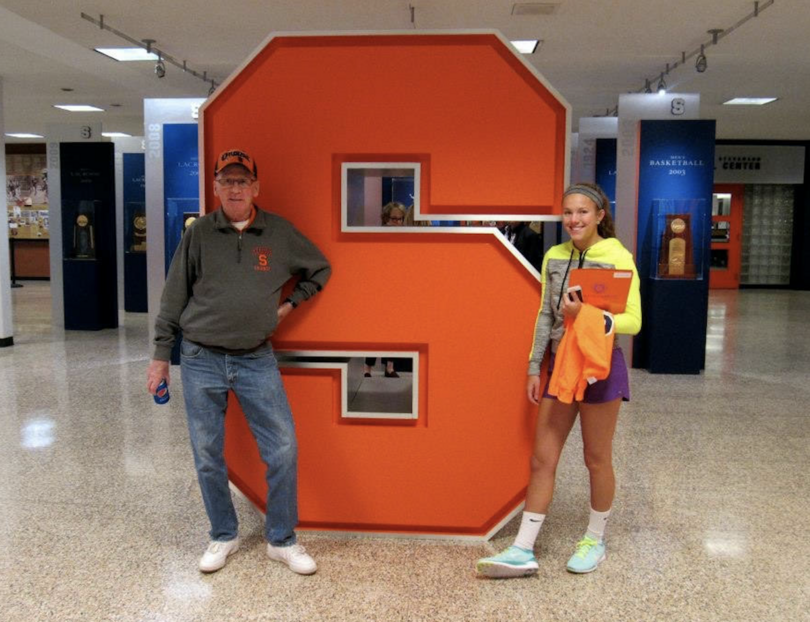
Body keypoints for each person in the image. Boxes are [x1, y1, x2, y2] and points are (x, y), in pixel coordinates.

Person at [146, 149, 331, 576]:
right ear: (215, 188)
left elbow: (320, 269)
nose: (234, 188)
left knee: (283, 448)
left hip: (256, 359)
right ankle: (223, 534)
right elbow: (174, 295)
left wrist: (287, 307)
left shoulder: (279, 233)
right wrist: (159, 357)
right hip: (199, 357)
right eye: (226, 181)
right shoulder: (198, 234)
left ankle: (281, 540)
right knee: (207, 452)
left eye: (242, 181)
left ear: (255, 188)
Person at [476, 182, 641, 577]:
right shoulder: (554, 255)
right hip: (560, 366)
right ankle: (522, 549)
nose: (574, 220)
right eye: (568, 212)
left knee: (596, 459)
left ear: (600, 215)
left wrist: (587, 316)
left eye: (583, 212)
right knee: (542, 459)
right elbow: (544, 316)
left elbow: (633, 321)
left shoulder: (617, 256)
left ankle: (595, 540)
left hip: (599, 368)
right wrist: (535, 366)